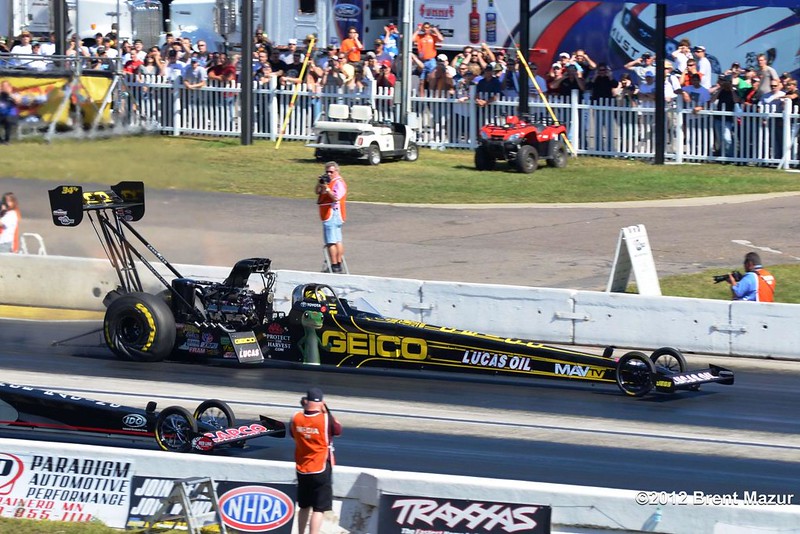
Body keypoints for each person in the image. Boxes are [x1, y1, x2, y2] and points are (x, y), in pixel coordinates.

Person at [291, 387, 342, 534]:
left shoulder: (296, 418)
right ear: (321, 403)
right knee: (318, 509)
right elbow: (338, 430)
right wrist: (327, 411)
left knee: (304, 506)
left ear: (306, 401)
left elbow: (293, 434)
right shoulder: (325, 419)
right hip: (321, 468)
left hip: (302, 468)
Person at [316, 162, 347, 273]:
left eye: (331, 172)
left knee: (331, 242)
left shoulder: (339, 183)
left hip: (333, 214)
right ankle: (337, 265)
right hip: (327, 214)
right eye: (327, 172)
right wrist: (320, 183)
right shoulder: (328, 182)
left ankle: (335, 264)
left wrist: (327, 188)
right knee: (337, 240)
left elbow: (335, 198)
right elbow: (317, 192)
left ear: (337, 171)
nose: (329, 174)